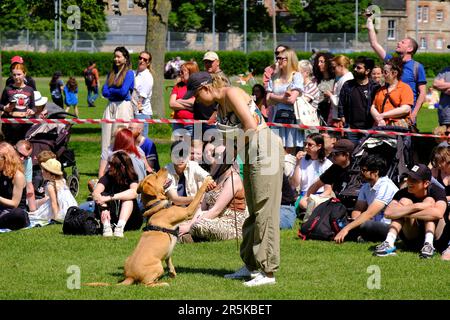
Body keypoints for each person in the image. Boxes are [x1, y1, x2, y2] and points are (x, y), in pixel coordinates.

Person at [184, 71, 284, 287]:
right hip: (249, 154)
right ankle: (251, 265)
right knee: (253, 211)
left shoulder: (232, 94)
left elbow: (250, 126)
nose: (196, 101)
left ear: (205, 88)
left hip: (265, 152)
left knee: (264, 211)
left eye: (196, 95)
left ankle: (267, 272)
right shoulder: (220, 106)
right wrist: (225, 160)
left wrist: (233, 147)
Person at [374, 164, 447, 258]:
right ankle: (389, 242)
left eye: (414, 180)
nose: (409, 182)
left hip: (436, 238)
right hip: (412, 237)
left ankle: (428, 245)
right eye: (409, 178)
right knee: (405, 201)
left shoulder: (437, 191)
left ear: (426, 183)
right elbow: (388, 213)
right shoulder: (402, 193)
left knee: (429, 201)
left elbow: (438, 213)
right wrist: (416, 206)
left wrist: (403, 213)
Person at [178, 145, 249, 242]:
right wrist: (190, 223)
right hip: (212, 219)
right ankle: (191, 237)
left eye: (222, 155)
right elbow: (202, 207)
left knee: (198, 225)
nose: (218, 158)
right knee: (179, 224)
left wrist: (190, 225)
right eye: (216, 155)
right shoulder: (213, 177)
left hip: (231, 223)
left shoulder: (233, 179)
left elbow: (216, 210)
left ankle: (189, 236)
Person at [367, 15, 426, 124]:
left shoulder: (417, 67)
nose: (398, 43)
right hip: (386, 115)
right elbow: (374, 44)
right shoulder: (391, 62)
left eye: (402, 42)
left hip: (405, 115)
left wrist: (414, 113)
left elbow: (422, 93)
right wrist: (370, 23)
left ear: (410, 49)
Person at [334, 155, 399, 244]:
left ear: (375, 172)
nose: (361, 172)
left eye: (364, 170)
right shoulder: (366, 186)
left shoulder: (386, 186)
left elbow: (370, 213)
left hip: (389, 226)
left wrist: (347, 228)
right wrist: (354, 221)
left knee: (365, 225)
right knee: (342, 222)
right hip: (372, 222)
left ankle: (359, 235)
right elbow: (358, 209)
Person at [92, 151, 143, 238]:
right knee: (101, 196)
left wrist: (110, 197)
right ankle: (106, 227)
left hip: (131, 220)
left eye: (112, 165)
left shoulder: (131, 176)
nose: (108, 167)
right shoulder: (109, 175)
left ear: (122, 167)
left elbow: (134, 192)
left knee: (128, 198)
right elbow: (95, 193)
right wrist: (104, 207)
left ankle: (120, 228)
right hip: (111, 217)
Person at [267, 48, 304, 154]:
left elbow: (291, 100)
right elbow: (267, 101)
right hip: (276, 118)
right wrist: (283, 98)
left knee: (288, 152)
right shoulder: (274, 77)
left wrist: (273, 96)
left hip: (291, 118)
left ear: (290, 60)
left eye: (281, 58)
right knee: (275, 150)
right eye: (277, 57)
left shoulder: (296, 76)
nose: (278, 61)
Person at [101, 46, 135, 156]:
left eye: (119, 57)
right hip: (110, 106)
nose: (116, 59)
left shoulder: (129, 73)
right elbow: (104, 92)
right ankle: (105, 165)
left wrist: (111, 90)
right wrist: (115, 90)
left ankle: (121, 165)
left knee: (120, 136)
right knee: (106, 136)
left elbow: (123, 92)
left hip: (123, 106)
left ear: (125, 58)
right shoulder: (111, 73)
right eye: (115, 57)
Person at [338, 56, 380, 144]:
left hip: (369, 128)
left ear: (367, 71)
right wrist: (343, 119)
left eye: (359, 68)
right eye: (354, 67)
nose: (355, 69)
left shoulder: (375, 87)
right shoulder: (348, 85)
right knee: (352, 153)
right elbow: (341, 103)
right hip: (351, 128)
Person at [290, 133, 333, 212]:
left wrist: (316, 198)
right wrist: (297, 163)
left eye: (310, 144)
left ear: (319, 146)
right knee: (302, 202)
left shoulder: (328, 164)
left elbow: (328, 190)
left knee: (303, 203)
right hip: (304, 195)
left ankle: (312, 211)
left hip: (320, 195)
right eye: (305, 144)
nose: (306, 147)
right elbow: (294, 184)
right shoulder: (302, 161)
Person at [28, 159, 77, 226]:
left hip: (59, 208)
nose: (42, 171)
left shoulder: (50, 185)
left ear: (49, 173)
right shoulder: (62, 180)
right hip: (70, 206)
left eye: (44, 170)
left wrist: (56, 217)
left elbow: (54, 202)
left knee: (36, 215)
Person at [165, 140, 214, 206]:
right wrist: (198, 198)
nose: (180, 158)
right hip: (174, 211)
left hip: (193, 208)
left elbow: (206, 176)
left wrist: (210, 181)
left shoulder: (193, 165)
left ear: (188, 156)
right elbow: (175, 199)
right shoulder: (166, 171)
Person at [370, 57, 414, 128]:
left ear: (395, 73)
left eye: (385, 72)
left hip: (397, 127)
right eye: (383, 72)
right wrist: (379, 119)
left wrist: (383, 115)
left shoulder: (405, 88)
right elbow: (373, 107)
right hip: (380, 126)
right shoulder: (380, 90)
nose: (383, 75)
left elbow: (406, 109)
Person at [0, 63, 35, 144]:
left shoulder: (30, 89)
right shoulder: (7, 89)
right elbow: (0, 105)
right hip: (10, 125)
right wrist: (5, 108)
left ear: (24, 74)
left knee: (23, 148)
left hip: (25, 125)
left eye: (19, 74)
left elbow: (33, 107)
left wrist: (32, 111)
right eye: (14, 75)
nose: (16, 77)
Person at [0, 142, 29, 231]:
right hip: (2, 210)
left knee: (18, 214)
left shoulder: (18, 176)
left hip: (14, 211)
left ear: (6, 159)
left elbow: (14, 203)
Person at [170, 61, 199, 137]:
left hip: (192, 125)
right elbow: (172, 104)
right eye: (180, 72)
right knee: (176, 147)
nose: (180, 74)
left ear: (191, 73)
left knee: (190, 148)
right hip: (177, 124)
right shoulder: (178, 86)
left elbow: (195, 103)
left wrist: (179, 101)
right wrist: (189, 107)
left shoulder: (197, 87)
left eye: (182, 72)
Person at [327, 55, 354, 126]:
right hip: (339, 117)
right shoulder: (344, 78)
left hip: (341, 119)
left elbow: (342, 101)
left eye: (334, 67)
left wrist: (330, 95)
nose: (333, 70)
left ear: (341, 66)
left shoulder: (346, 79)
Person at [132, 51, 154, 138]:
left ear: (148, 63)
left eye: (145, 59)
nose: (142, 60)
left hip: (141, 113)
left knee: (140, 141)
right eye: (140, 58)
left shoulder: (147, 76)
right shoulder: (133, 73)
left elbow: (141, 99)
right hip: (133, 111)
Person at [313, 52, 335, 124]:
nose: (319, 64)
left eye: (322, 62)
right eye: (318, 62)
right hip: (316, 115)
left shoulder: (335, 80)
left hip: (329, 115)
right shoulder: (315, 80)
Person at [14, 140, 36, 212]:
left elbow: (29, 185)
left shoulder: (28, 161)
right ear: (14, 149)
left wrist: (33, 211)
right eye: (20, 154)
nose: (22, 159)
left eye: (26, 157)